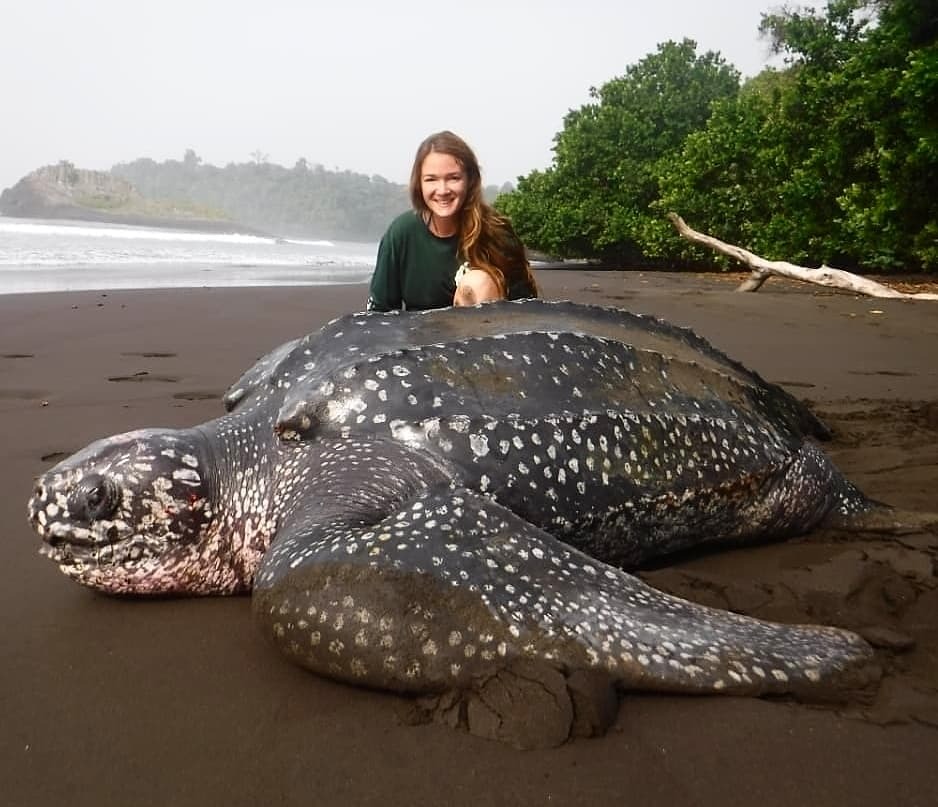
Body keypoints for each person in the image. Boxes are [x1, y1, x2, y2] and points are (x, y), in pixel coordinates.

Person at [366, 130, 538, 311]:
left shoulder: (496, 231)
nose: (442, 190)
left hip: (486, 334)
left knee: (476, 283)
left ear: (470, 180)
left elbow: (527, 309)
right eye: (431, 179)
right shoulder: (401, 234)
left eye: (453, 178)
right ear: (419, 184)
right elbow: (378, 314)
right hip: (422, 336)